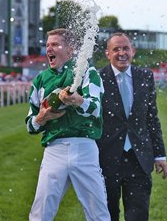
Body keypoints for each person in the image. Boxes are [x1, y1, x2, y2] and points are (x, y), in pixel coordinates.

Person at [25, 28, 110, 221]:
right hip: (54, 150)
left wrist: (78, 101)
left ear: (70, 50)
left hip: (85, 147)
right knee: (40, 214)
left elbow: (96, 109)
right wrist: (42, 118)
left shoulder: (87, 72)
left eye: (55, 44)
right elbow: (30, 126)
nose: (49, 49)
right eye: (47, 45)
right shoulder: (39, 80)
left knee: (98, 213)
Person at [97, 32, 167, 221]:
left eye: (125, 48)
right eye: (116, 49)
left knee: (138, 215)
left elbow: (151, 118)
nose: (122, 53)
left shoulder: (145, 76)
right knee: (107, 215)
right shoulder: (97, 78)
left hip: (139, 159)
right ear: (107, 53)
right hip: (107, 158)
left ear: (133, 51)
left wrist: (159, 155)